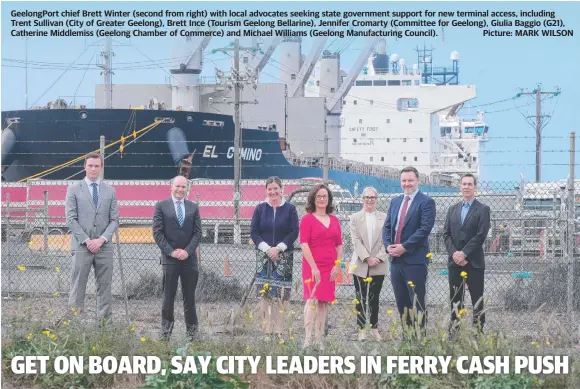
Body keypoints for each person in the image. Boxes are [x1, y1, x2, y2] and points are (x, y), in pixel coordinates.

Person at [65, 152, 119, 324]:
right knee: (77, 287)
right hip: (81, 247)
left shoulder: (110, 191)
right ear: (85, 166)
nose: (94, 169)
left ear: (101, 167)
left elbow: (115, 220)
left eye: (97, 166)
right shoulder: (73, 189)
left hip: (104, 247)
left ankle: (104, 326)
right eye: (90, 165)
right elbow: (71, 219)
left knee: (105, 288)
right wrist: (88, 241)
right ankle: (74, 326)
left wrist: (101, 239)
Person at [382, 166, 435, 332]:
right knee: (401, 303)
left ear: (417, 181)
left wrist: (404, 247)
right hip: (396, 261)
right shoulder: (395, 201)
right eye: (404, 180)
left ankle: (420, 339)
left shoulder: (426, 202)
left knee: (417, 302)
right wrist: (388, 246)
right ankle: (407, 337)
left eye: (410, 180)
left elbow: (424, 229)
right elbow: (387, 227)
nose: (407, 184)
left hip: (415, 261)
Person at [152, 176, 202, 341]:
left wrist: (187, 251)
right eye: (178, 186)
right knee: (168, 298)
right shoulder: (161, 206)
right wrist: (171, 252)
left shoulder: (193, 208)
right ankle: (166, 335)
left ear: (187, 188)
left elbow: (197, 233)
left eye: (184, 187)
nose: (180, 189)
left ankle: (192, 335)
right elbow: (157, 233)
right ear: (171, 187)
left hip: (189, 260)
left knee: (190, 299)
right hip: (170, 259)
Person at [250, 176, 299, 334]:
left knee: (281, 295)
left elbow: (294, 231)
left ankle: (279, 330)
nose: (273, 192)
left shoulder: (290, 209)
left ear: (281, 189)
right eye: (269, 189)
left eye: (275, 189)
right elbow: (254, 232)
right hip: (263, 257)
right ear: (266, 191)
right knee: (265, 296)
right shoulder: (259, 209)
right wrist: (267, 248)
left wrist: (278, 248)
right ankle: (267, 330)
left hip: (283, 257)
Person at [443, 173, 491, 334]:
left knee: (477, 299)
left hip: (474, 262)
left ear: (475, 188)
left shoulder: (483, 209)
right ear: (460, 187)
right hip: (455, 263)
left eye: (470, 184)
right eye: (464, 184)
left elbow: (481, 235)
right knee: (456, 299)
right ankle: (454, 332)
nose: (466, 187)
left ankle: (478, 331)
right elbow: (446, 234)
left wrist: (464, 254)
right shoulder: (452, 210)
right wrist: (455, 254)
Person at [300, 183, 343, 349]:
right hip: (312, 267)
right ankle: (308, 339)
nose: (322, 199)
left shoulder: (334, 220)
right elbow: (304, 245)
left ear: (329, 199)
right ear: (313, 199)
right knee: (312, 299)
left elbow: (339, 246)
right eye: (319, 196)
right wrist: (314, 267)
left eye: (325, 196)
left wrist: (337, 266)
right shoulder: (307, 219)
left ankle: (319, 340)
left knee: (323, 302)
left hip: (330, 268)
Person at [349, 186, 388, 341]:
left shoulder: (385, 218)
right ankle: (361, 329)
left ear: (376, 199)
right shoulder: (355, 217)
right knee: (360, 297)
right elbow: (355, 241)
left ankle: (374, 328)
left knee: (374, 298)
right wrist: (367, 257)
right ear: (363, 199)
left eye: (373, 197)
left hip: (379, 263)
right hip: (360, 262)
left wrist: (378, 257)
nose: (370, 200)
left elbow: (387, 239)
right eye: (367, 197)